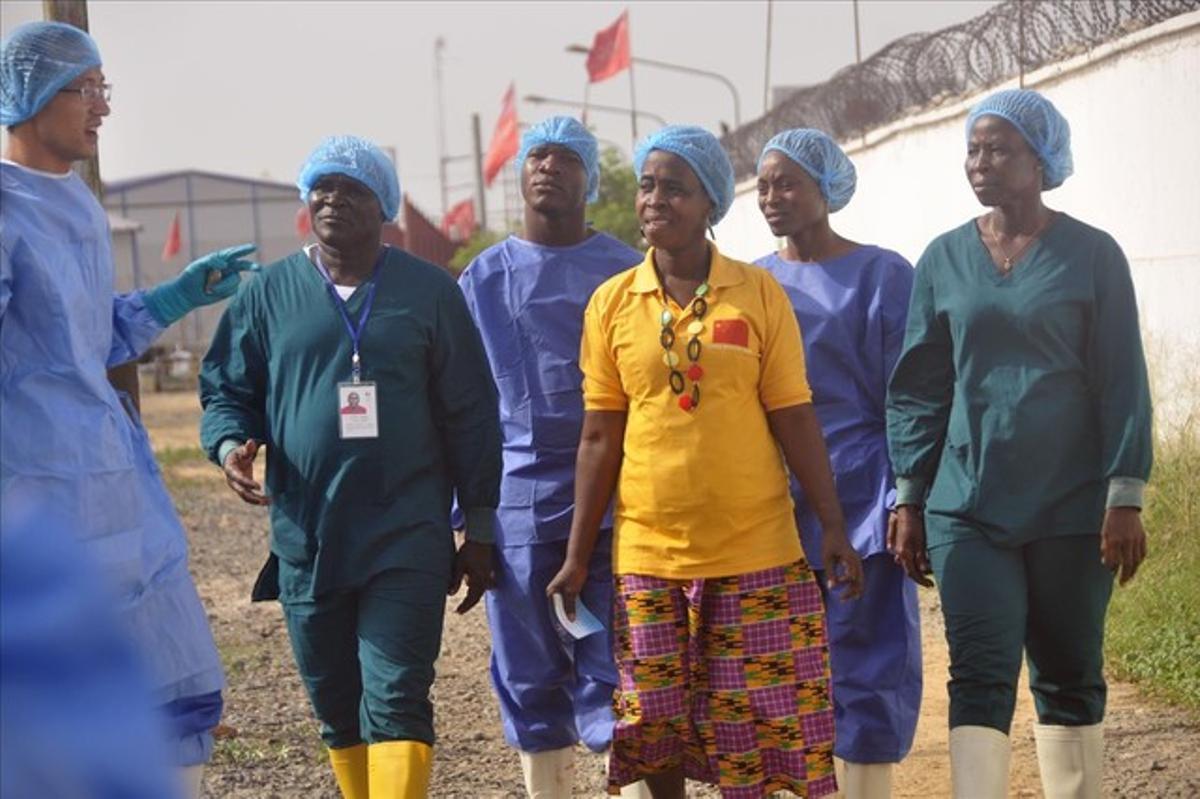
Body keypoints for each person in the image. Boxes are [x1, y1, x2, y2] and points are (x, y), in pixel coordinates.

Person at [547, 125, 865, 799]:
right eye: (648, 185)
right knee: (655, 721)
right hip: (649, 556)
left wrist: (832, 527)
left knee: (753, 726)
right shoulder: (611, 304)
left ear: (711, 204)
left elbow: (795, 417)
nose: (656, 199)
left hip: (755, 552)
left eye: (676, 188)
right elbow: (599, 436)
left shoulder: (756, 294)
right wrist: (578, 556)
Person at [199, 134, 502, 799]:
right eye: (323, 187)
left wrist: (478, 525)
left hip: (407, 533)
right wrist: (231, 445)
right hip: (309, 536)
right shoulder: (268, 294)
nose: (333, 199)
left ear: (385, 205)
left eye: (353, 188)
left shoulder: (428, 292)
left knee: (396, 694)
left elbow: (472, 413)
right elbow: (227, 389)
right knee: (337, 705)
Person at [1, 21, 256, 796]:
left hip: (118, 483)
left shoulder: (76, 204)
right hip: (39, 488)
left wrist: (178, 295)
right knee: (59, 707)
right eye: (87, 89)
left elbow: (86, 335)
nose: (102, 107)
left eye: (105, 88)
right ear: (33, 92)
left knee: (169, 691)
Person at [886, 89, 1152, 799]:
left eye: (999, 148)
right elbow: (919, 387)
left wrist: (1125, 494)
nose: (980, 162)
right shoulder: (943, 258)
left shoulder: (1093, 255)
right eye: (974, 148)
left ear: (1040, 159)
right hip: (966, 504)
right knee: (979, 668)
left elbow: (1122, 378)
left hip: (1072, 505)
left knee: (1068, 669)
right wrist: (909, 496)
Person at [457, 116, 646, 798]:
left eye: (566, 158)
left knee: (619, 661)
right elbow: (462, 403)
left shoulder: (628, 271)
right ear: (521, 172)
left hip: (620, 504)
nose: (548, 168)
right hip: (517, 510)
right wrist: (467, 514)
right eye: (537, 155)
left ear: (589, 178)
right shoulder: (483, 279)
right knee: (527, 666)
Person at [753, 129, 922, 799]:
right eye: (763, 185)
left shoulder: (883, 275)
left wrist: (905, 497)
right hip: (769, 503)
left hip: (862, 497)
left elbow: (907, 398)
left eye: (789, 182)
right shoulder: (752, 284)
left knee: (866, 661)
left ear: (827, 188)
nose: (773, 197)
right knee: (775, 667)